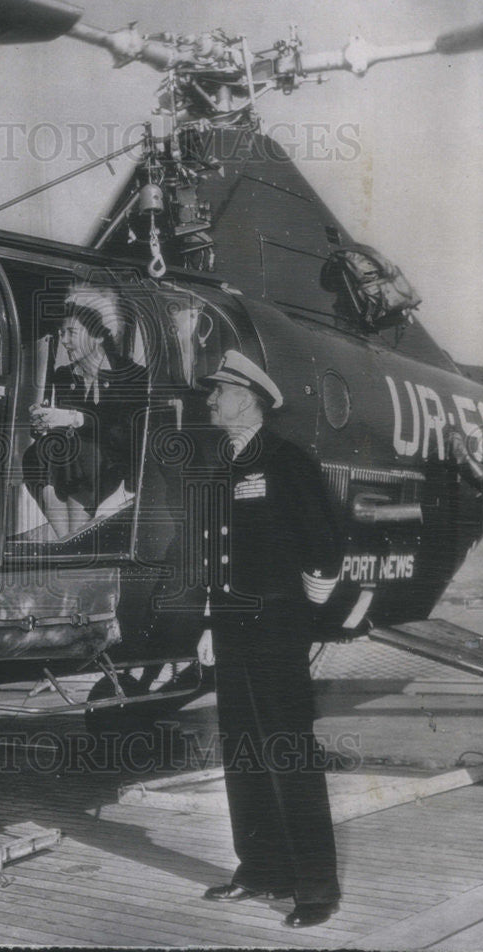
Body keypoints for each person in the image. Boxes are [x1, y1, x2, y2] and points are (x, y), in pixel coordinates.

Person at [196, 349, 342, 929]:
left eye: (218, 392)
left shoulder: (287, 461)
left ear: (247, 398)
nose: (209, 400)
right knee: (242, 752)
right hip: (231, 628)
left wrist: (301, 619)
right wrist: (209, 621)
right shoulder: (221, 463)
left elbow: (325, 547)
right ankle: (260, 869)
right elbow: (217, 552)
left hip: (278, 626)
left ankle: (316, 888)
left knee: (290, 754)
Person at [24, 296, 148, 537]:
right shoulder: (63, 376)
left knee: (82, 451)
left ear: (99, 336)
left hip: (115, 459)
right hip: (76, 463)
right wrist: (42, 424)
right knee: (37, 452)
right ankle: (67, 538)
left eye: (71, 332)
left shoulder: (132, 376)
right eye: (61, 333)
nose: (64, 340)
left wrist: (73, 418)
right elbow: (60, 430)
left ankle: (73, 537)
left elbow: (122, 431)